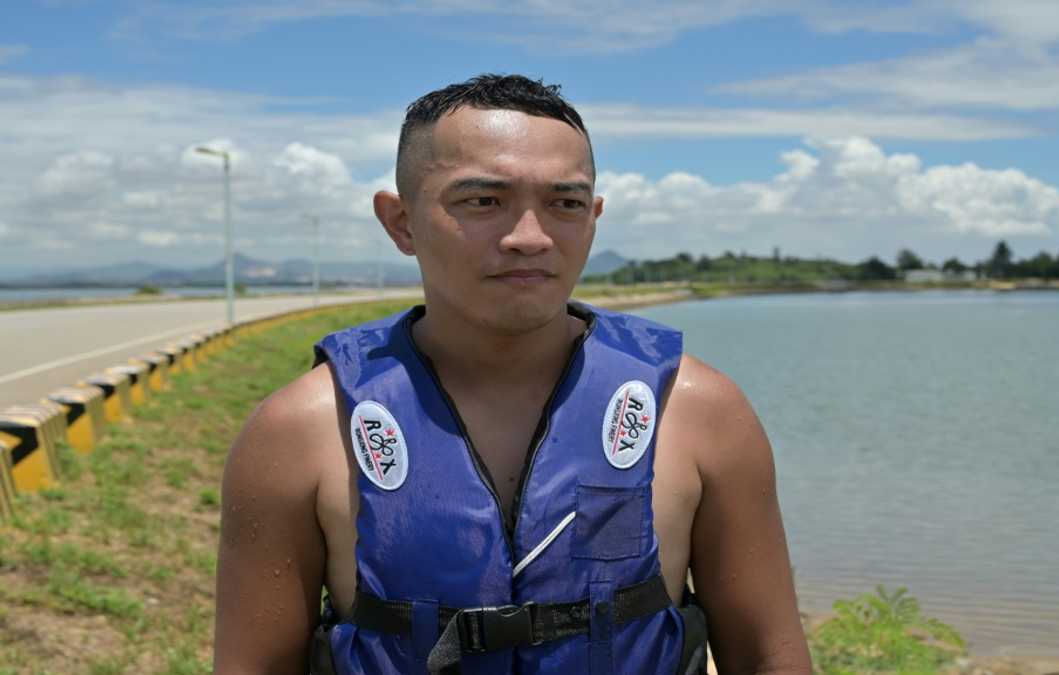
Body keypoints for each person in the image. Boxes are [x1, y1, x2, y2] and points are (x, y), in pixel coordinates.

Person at [213, 74, 812, 675]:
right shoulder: (301, 430)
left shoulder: (699, 410)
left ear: (594, 217)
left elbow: (770, 656)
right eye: (483, 201)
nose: (530, 238)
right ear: (400, 221)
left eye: (565, 204)